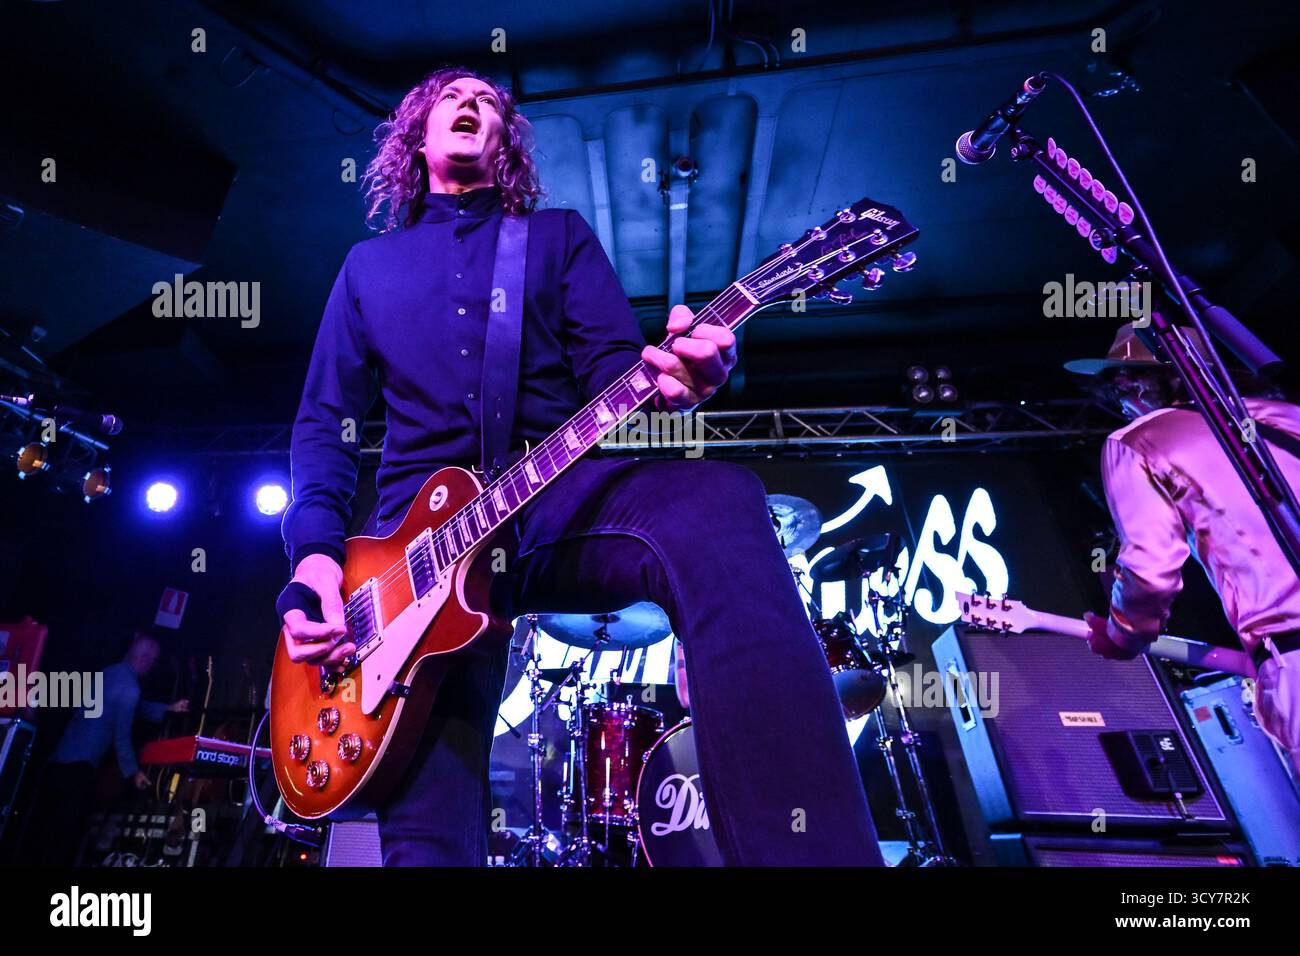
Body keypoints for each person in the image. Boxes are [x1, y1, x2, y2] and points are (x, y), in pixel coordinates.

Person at [278, 67, 881, 866]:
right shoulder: (365, 269)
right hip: (406, 568)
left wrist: (681, 379)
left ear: (506, 144)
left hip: (553, 501)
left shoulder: (555, 237)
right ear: (416, 136)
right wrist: (315, 560)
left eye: (489, 101)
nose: (471, 104)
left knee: (719, 502)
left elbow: (612, 375)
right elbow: (326, 423)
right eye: (451, 97)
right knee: (426, 830)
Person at [1070, 324, 1300, 773]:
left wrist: (1124, 634)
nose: (1119, 392)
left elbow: (1151, 568)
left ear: (1135, 384)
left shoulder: (1136, 441)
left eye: (1123, 378)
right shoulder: (1288, 417)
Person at [24, 631, 188, 865]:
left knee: (42, 833)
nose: (151, 667)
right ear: (144, 659)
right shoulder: (130, 688)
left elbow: (135, 706)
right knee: (62, 841)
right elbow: (121, 736)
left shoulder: (109, 673)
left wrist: (168, 708)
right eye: (152, 662)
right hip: (80, 769)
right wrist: (134, 772)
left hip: (58, 762)